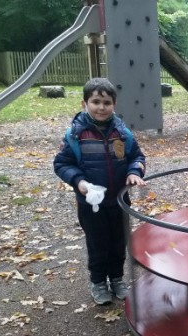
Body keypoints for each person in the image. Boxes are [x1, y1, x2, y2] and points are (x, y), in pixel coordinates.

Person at [53, 77, 146, 305]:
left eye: (106, 103)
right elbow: (62, 164)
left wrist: (134, 172)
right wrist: (79, 182)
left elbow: (137, 157)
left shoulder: (122, 133)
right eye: (96, 102)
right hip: (90, 205)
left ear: (114, 104)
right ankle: (98, 282)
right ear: (84, 103)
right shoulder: (75, 135)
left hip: (119, 201)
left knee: (118, 243)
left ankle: (116, 279)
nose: (101, 107)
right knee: (98, 244)